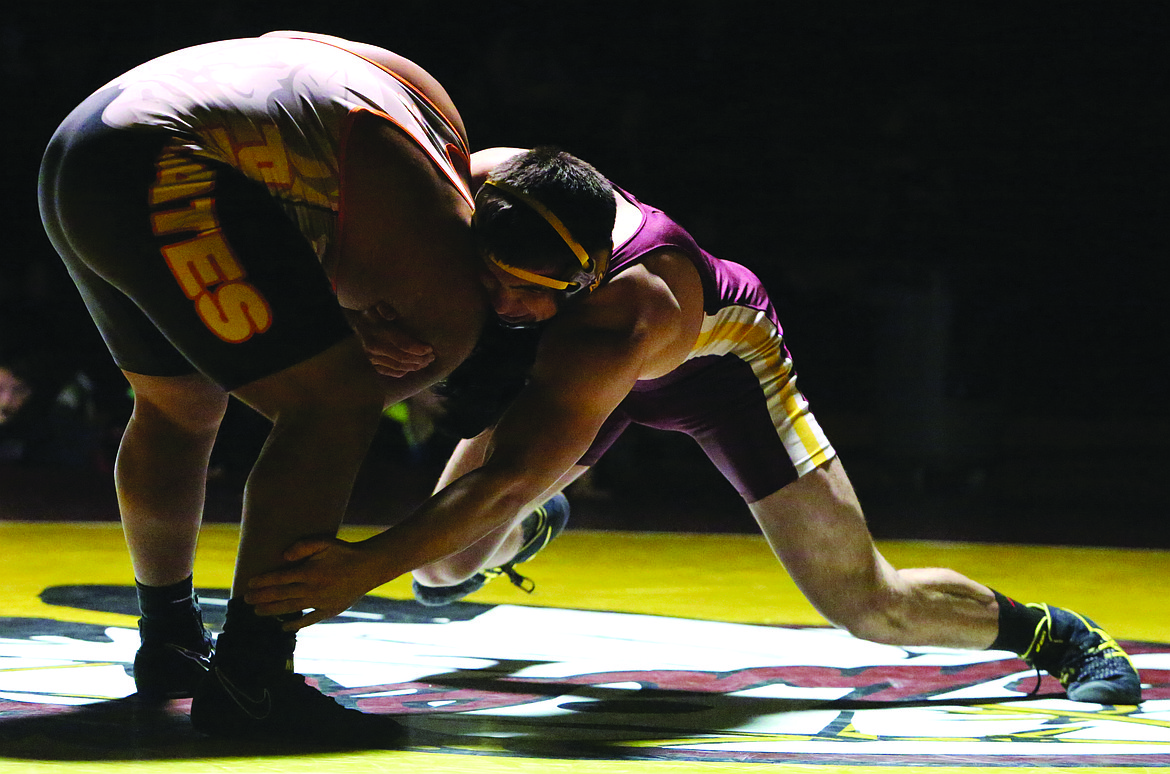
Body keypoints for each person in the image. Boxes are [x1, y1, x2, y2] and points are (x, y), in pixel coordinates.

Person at [246, 148, 1142, 706]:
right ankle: (538, 524)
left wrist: (363, 566)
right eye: (497, 279)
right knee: (443, 565)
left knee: (867, 604)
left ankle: (1053, 633)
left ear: (587, 275)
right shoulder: (463, 192)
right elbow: (337, 238)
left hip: (719, 369)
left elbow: (503, 477)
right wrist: (356, 306)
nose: (509, 304)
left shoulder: (618, 318)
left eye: (533, 295)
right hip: (575, 376)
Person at [37, 31, 491, 743]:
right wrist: (339, 361)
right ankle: (254, 679)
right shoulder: (440, 208)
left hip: (84, 147)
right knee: (335, 405)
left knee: (174, 406)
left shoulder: (394, 107)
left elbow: (293, 219)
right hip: (164, 163)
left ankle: (171, 640)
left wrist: (336, 326)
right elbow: (372, 366)